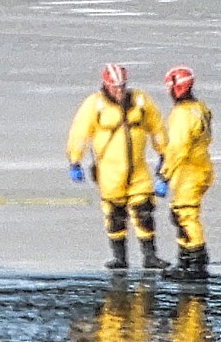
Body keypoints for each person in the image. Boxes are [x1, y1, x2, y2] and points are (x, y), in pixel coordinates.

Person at [67, 62, 170, 270]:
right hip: (109, 172)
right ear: (106, 85)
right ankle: (119, 257)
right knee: (115, 214)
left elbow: (157, 127)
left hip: (138, 169)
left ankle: (150, 256)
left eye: (122, 86)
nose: (120, 91)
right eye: (115, 87)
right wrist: (75, 160)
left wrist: (163, 153)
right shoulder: (95, 105)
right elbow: (80, 133)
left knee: (144, 211)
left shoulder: (140, 101)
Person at [158, 65, 214, 281]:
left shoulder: (182, 115)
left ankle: (196, 262)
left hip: (189, 171)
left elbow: (177, 148)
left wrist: (164, 174)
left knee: (185, 215)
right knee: (179, 213)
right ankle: (185, 260)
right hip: (200, 167)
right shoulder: (199, 107)